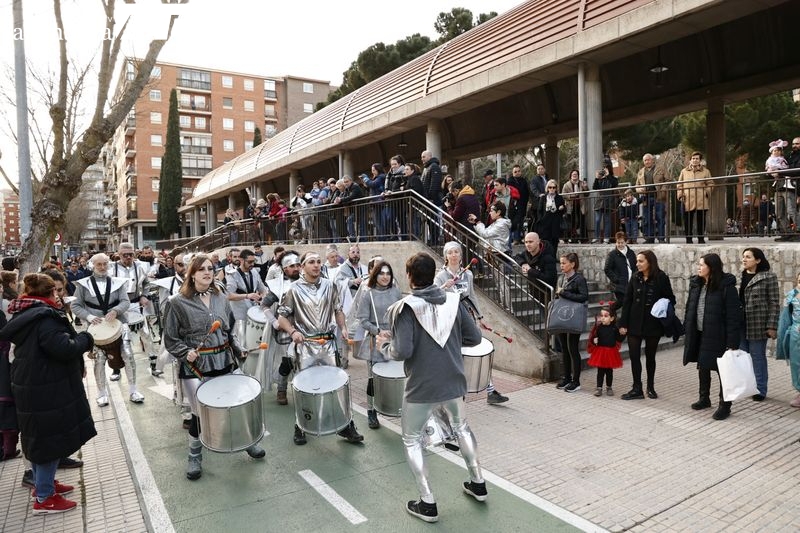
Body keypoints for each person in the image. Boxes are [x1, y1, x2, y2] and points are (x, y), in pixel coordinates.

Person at [376, 252, 485, 523]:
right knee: (461, 428)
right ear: (434, 273)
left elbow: (402, 351)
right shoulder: (454, 300)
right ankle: (478, 483)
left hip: (421, 385)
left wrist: (384, 346)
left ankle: (427, 502)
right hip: (454, 379)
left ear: (409, 276)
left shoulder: (404, 308)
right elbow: (474, 337)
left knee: (411, 439)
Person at [163, 254, 265, 481]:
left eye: (210, 268)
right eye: (201, 269)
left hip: (224, 361)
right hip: (196, 367)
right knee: (199, 415)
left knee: (236, 405)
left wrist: (238, 349)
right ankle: (194, 456)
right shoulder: (176, 302)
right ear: (191, 274)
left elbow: (229, 330)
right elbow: (170, 338)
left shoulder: (220, 296)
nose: (207, 272)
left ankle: (247, 442)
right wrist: (185, 352)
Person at [0, 273, 96, 514]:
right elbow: (64, 348)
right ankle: (44, 498)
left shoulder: (27, 313)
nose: (60, 295)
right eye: (57, 291)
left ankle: (45, 485)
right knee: (47, 441)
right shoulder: (45, 318)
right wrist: (86, 338)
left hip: (36, 385)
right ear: (50, 292)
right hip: (44, 388)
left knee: (43, 438)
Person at [276, 252, 364, 446]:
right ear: (302, 266)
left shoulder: (330, 285)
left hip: (328, 345)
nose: (316, 265)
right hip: (305, 347)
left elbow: (338, 309)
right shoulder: (293, 289)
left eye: (318, 262)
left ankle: (346, 425)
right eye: (311, 262)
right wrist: (292, 331)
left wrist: (343, 327)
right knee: (303, 388)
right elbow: (281, 317)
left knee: (338, 385)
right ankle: (300, 426)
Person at [436, 241, 509, 405]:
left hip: (468, 316)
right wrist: (444, 286)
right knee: (456, 355)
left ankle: (490, 390)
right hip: (451, 319)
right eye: (450, 252)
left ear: (461, 255)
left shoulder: (467, 274)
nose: (454, 255)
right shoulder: (441, 276)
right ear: (445, 256)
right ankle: (456, 391)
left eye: (456, 252)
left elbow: (472, 296)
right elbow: (433, 294)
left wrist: (480, 316)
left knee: (475, 351)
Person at [71, 253, 145, 405]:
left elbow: (125, 301)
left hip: (119, 324)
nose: (102, 267)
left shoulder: (118, 283)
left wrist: (116, 311)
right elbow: (75, 305)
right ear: (93, 265)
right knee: (99, 360)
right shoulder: (83, 285)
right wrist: (89, 317)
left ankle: (133, 390)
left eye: (105, 264)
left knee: (128, 354)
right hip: (96, 328)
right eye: (99, 264)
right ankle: (101, 393)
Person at [682, 253, 742, 420]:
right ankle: (704, 398)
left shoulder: (726, 287)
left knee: (723, 370)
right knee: (703, 366)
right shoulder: (697, 284)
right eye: (699, 264)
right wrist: (687, 327)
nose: (699, 267)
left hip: (718, 335)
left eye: (702, 265)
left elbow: (733, 316)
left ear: (712, 267)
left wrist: (732, 342)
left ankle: (725, 405)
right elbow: (690, 308)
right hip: (699, 333)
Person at [351, 261, 403, 428]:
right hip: (376, 341)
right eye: (381, 273)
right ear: (375, 275)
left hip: (395, 340)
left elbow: (402, 315)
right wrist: (378, 330)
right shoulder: (368, 294)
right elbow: (363, 319)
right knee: (373, 379)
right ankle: (371, 411)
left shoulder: (396, 292)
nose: (385, 277)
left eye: (388, 273)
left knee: (397, 375)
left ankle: (398, 407)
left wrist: (397, 330)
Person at [618, 250, 675, 400]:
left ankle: (650, 387)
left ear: (650, 262)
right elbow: (627, 301)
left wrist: (661, 305)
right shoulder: (635, 277)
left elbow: (671, 298)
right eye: (637, 261)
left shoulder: (661, 277)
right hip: (634, 323)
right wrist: (623, 323)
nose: (637, 264)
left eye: (641, 261)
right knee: (634, 356)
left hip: (653, 324)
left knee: (650, 357)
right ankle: (637, 388)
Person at [111, 242, 158, 381]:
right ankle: (116, 369)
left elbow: (146, 284)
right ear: (119, 254)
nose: (128, 257)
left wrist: (145, 295)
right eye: (125, 255)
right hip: (118, 307)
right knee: (117, 338)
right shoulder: (111, 268)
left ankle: (154, 364)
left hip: (136, 304)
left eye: (130, 254)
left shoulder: (140, 267)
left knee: (146, 334)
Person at [739, 247, 780, 401]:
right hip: (740, 323)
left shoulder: (768, 277)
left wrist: (771, 326)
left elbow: (774, 303)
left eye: (748, 257)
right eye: (743, 256)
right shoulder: (739, 277)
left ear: (758, 260)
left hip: (758, 323)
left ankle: (760, 389)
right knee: (743, 357)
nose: (744, 259)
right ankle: (747, 386)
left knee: (757, 357)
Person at [554, 252, 589, 393]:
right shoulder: (561, 278)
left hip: (573, 317)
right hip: (562, 316)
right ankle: (567, 378)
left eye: (564, 263)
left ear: (572, 264)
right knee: (564, 348)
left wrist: (564, 293)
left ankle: (576, 381)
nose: (561, 266)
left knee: (572, 349)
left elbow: (583, 297)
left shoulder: (579, 279)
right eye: (561, 263)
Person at [587, 304, 624, 397]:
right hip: (600, 352)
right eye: (601, 315)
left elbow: (619, 339)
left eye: (606, 316)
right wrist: (594, 340)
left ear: (612, 318)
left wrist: (623, 334)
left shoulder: (614, 328)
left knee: (609, 371)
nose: (602, 318)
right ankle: (599, 388)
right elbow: (593, 337)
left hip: (611, 352)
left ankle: (609, 387)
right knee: (600, 371)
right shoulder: (598, 328)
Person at [677, 151, 713, 244]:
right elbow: (679, 185)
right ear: (690, 160)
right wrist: (680, 195)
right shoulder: (684, 171)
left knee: (701, 220)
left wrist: (706, 192)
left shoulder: (706, 171)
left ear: (700, 160)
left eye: (697, 158)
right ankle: (688, 239)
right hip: (687, 199)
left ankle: (701, 238)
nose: (695, 160)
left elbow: (711, 183)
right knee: (688, 221)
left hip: (701, 199)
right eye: (693, 158)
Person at [777, 272, 800, 407]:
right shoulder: (792, 295)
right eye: (799, 281)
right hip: (795, 335)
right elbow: (786, 317)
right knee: (796, 364)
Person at [635, 153, 668, 243]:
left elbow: (668, 180)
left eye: (648, 160)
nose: (647, 162)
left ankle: (661, 238)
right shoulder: (641, 171)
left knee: (660, 217)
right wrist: (639, 189)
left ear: (652, 160)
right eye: (645, 160)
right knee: (647, 219)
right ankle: (650, 238)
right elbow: (637, 185)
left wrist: (663, 189)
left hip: (659, 197)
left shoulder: (661, 168)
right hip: (646, 198)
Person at [604, 232, 636, 311]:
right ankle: (610, 311)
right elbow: (607, 269)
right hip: (618, 284)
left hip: (630, 283)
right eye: (618, 242)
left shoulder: (631, 253)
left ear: (626, 242)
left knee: (629, 302)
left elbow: (635, 267)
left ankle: (615, 314)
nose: (620, 244)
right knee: (623, 300)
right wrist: (616, 279)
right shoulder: (612, 255)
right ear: (616, 242)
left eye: (622, 242)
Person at [536, 179, 566, 254]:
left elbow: (564, 210)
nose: (552, 189)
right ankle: (546, 257)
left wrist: (562, 208)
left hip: (555, 222)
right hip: (545, 223)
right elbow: (539, 210)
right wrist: (541, 220)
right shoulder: (543, 198)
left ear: (556, 188)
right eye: (550, 187)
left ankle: (553, 257)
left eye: (553, 187)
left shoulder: (559, 198)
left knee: (554, 242)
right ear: (547, 188)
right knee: (545, 242)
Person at [592, 168, 618, 244]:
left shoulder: (613, 179)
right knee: (597, 220)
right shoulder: (600, 179)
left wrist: (608, 175)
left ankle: (606, 238)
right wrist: (597, 177)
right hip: (599, 202)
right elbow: (594, 187)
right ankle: (596, 237)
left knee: (607, 221)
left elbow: (614, 184)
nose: (604, 171)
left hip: (608, 202)